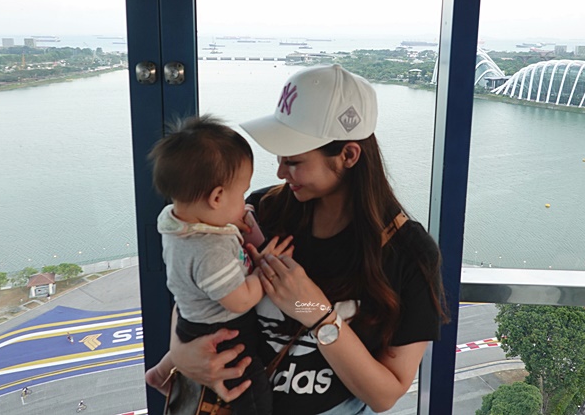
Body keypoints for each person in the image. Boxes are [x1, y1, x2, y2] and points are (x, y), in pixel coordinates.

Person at [145, 64, 447, 414]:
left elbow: (385, 395)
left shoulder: (408, 253)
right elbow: (194, 280)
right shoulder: (259, 212)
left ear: (348, 155)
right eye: (279, 157)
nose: (279, 171)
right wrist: (181, 352)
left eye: (294, 161)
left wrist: (314, 311)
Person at [147, 115, 292, 415]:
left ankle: (162, 371)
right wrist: (264, 268)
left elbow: (215, 227)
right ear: (216, 197)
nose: (244, 201)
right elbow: (239, 300)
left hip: (192, 318)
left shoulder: (179, 221)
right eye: (240, 194)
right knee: (254, 393)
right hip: (223, 330)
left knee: (187, 334)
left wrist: (231, 219)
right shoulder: (208, 250)